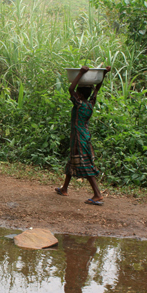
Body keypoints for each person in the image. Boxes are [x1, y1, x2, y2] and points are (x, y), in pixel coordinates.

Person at [55, 65, 110, 205]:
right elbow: (97, 88)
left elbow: (70, 89)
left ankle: (97, 194)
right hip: (82, 136)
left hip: (79, 138)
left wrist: (80, 73)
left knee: (85, 164)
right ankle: (64, 188)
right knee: (72, 161)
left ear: (79, 95)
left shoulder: (79, 104)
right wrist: (104, 75)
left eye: (77, 93)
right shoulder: (90, 103)